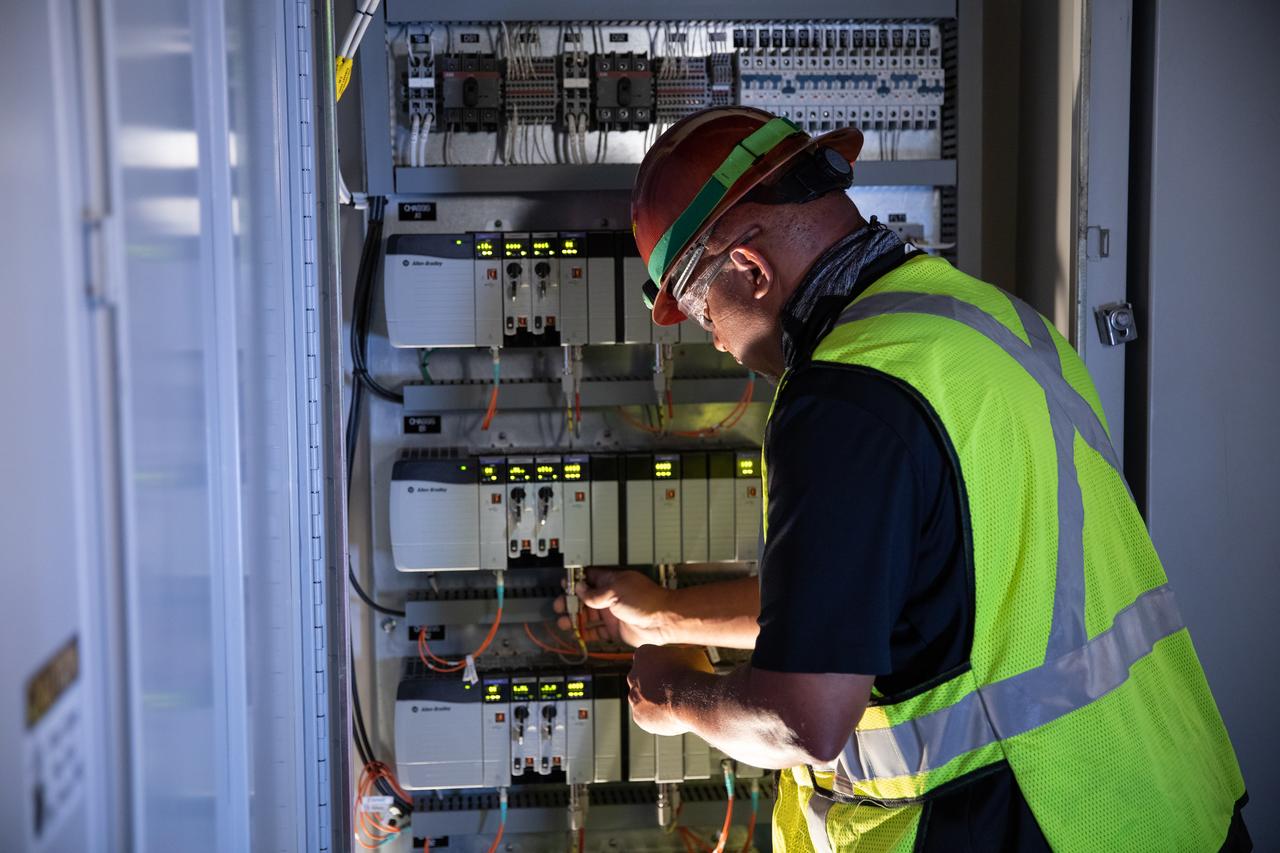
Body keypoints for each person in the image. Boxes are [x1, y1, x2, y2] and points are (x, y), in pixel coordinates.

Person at [558, 107, 1250, 851]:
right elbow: (865, 599)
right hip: (1165, 800)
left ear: (750, 270)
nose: (720, 345)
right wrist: (665, 615)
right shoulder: (989, 322)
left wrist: (677, 696)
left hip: (1037, 822)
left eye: (702, 316)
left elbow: (805, 717)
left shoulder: (842, 400)